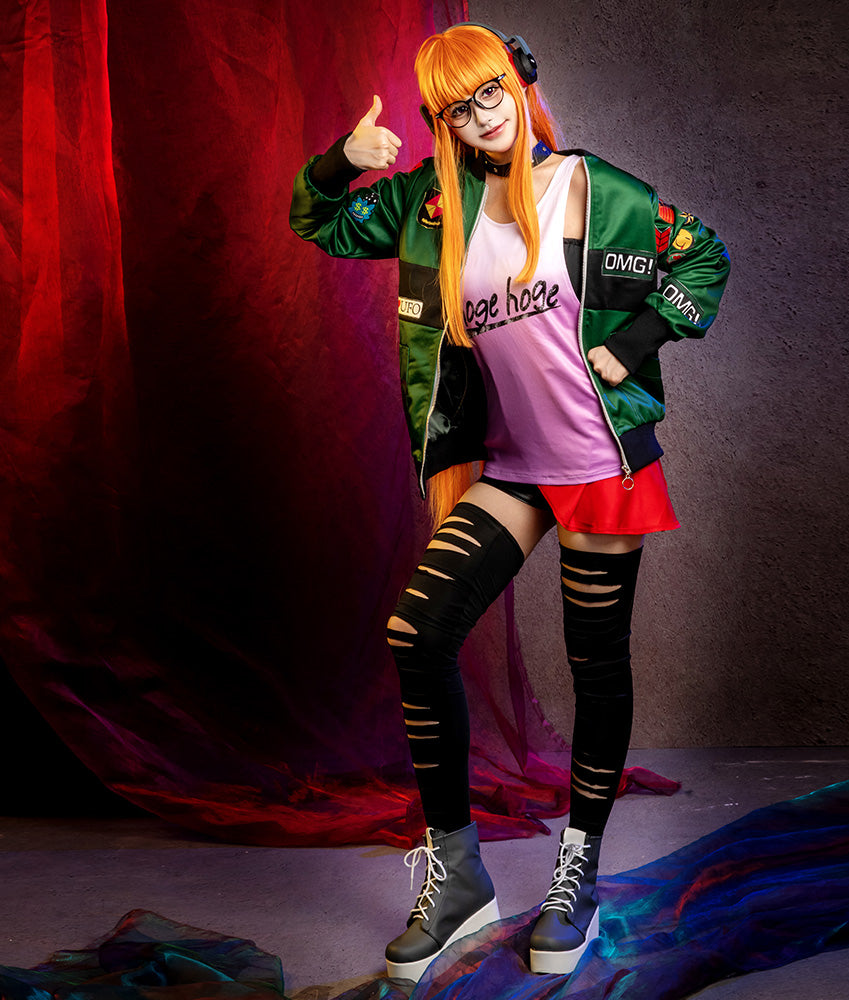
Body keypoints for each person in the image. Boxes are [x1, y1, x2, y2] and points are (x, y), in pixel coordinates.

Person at [289, 22, 729, 983]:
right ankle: (458, 878)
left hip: (602, 464)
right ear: (441, 120)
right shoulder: (428, 206)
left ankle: (577, 874)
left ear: (519, 85)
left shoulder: (592, 191)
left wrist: (636, 342)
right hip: (516, 469)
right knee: (419, 634)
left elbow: (705, 257)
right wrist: (341, 162)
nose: (482, 115)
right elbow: (317, 222)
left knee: (595, 666)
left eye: (491, 91)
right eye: (458, 106)